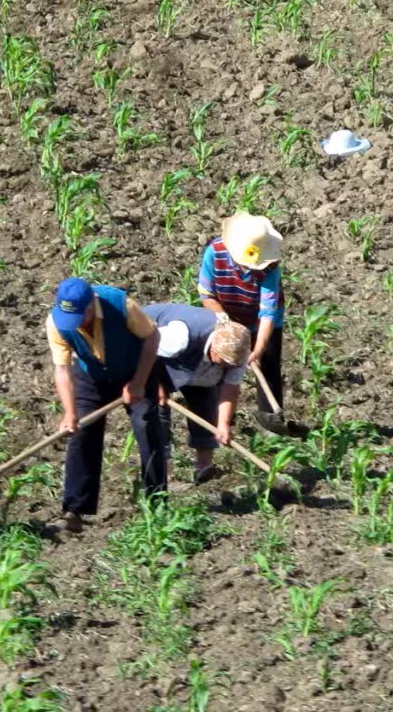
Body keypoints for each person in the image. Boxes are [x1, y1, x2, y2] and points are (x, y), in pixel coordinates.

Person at [45, 278, 167, 533]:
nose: (75, 323)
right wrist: (70, 413)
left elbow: (152, 337)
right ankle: (74, 511)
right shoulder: (56, 323)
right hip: (91, 375)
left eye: (80, 316)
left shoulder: (121, 305)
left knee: (146, 425)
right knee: (81, 432)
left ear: (92, 306)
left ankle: (157, 504)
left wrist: (138, 382)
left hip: (135, 367)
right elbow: (62, 369)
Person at [198, 211, 286, 433]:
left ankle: (270, 421)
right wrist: (225, 321)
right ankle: (222, 418)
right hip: (224, 313)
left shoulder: (270, 267)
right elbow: (206, 294)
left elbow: (267, 313)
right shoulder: (215, 253)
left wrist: (257, 349)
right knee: (221, 359)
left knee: (267, 362)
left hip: (260, 319)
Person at [145, 303, 252, 484]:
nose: (227, 367)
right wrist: (155, 385)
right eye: (223, 362)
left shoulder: (238, 355)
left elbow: (230, 389)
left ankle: (204, 466)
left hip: (195, 365)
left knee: (206, 401)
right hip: (154, 351)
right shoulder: (179, 337)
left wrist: (224, 424)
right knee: (157, 409)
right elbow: (147, 347)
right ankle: (163, 469)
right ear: (213, 349)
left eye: (231, 365)